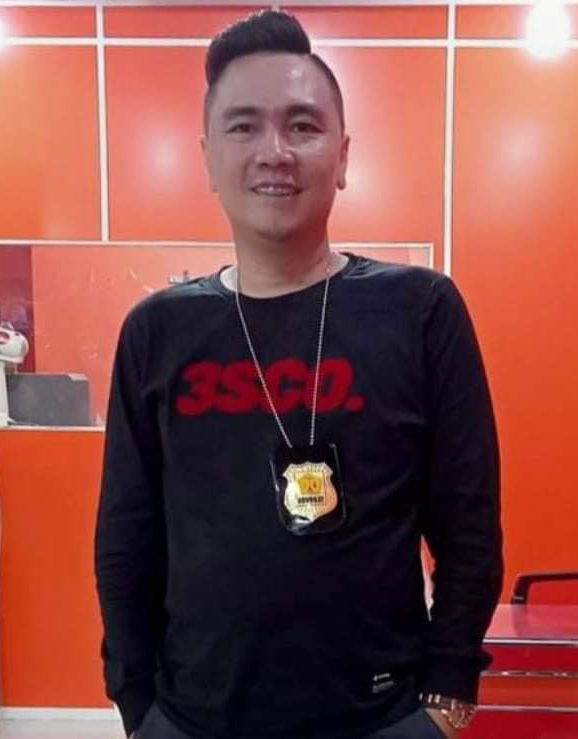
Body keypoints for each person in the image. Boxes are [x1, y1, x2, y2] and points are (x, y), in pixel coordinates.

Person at [95, 10, 503, 739]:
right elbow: (127, 539)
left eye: (303, 126)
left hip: (381, 719)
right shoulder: (157, 333)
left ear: (342, 157)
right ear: (208, 158)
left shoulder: (420, 312)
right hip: (194, 721)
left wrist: (449, 698)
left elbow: (468, 524)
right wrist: (136, 707)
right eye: (244, 126)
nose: (274, 151)